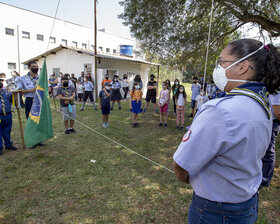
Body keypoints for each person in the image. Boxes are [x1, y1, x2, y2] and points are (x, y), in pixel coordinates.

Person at [173, 39, 280, 224]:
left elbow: (181, 165)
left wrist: (186, 178)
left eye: (222, 62)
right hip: (247, 203)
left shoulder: (220, 109)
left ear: (243, 67)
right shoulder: (263, 104)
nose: (219, 69)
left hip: (215, 211)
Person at [261, 91, 280, 188]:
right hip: (268, 120)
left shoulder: (277, 88)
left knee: (268, 151)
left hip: (272, 121)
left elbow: (278, 111)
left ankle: (265, 179)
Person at [0, 79, 17, 155]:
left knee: (7, 129)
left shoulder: (7, 93)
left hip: (7, 114)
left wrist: (15, 93)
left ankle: (8, 144)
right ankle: (0, 147)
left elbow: (13, 100)